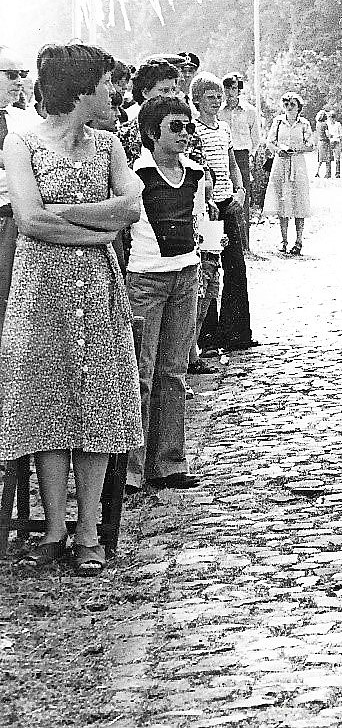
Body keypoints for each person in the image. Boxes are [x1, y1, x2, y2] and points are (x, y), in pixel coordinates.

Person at [0, 43, 144, 575]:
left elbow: (130, 207)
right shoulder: (23, 143)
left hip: (99, 291)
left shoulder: (109, 146)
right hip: (40, 292)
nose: (115, 93)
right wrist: (96, 226)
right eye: (108, 84)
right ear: (82, 88)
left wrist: (61, 212)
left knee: (99, 406)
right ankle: (55, 529)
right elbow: (28, 220)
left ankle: (89, 535)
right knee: (47, 407)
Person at [125, 96, 210, 492]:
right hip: (146, 279)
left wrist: (202, 260)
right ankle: (131, 470)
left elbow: (198, 221)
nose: (185, 134)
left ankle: (170, 462)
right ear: (151, 132)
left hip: (185, 276)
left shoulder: (195, 173)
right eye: (175, 127)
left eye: (189, 126)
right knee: (140, 373)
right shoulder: (136, 175)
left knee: (173, 372)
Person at [191, 73, 256, 352]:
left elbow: (232, 165)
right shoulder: (193, 131)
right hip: (208, 210)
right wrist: (208, 202)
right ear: (196, 101)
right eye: (210, 97)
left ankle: (237, 332)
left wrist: (240, 190)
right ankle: (208, 334)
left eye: (219, 96)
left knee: (236, 267)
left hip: (229, 203)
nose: (216, 102)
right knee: (208, 270)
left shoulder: (224, 129)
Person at [0, 45, 36, 330]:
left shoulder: (27, 122)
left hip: (16, 222)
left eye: (22, 75)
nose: (19, 82)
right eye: (12, 74)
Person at [264, 92, 314, 255]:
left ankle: (299, 241)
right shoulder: (278, 122)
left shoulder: (304, 123)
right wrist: (279, 150)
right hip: (281, 164)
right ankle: (283, 240)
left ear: (299, 107)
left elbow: (311, 145)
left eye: (293, 104)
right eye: (286, 104)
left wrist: (297, 149)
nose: (289, 107)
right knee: (283, 200)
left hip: (298, 165)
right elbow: (270, 142)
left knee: (299, 201)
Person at [220, 73, 263, 245]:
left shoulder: (250, 111)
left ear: (239, 90)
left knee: (242, 196)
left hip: (242, 156)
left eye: (234, 88)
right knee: (224, 195)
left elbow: (256, 139)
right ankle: (227, 240)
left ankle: (245, 242)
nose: (230, 92)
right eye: (227, 88)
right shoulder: (219, 112)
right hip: (223, 155)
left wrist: (249, 156)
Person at [118, 58, 181, 166]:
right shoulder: (125, 134)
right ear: (145, 93)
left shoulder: (186, 130)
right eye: (165, 90)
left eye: (173, 90)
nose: (171, 96)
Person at [314, 110, 334, 178]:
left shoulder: (317, 124)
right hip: (325, 142)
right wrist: (331, 136)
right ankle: (327, 174)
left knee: (320, 159)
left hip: (319, 142)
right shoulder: (325, 125)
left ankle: (317, 172)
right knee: (328, 159)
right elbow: (327, 134)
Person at [326, 111, 342, 178]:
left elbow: (341, 134)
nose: (332, 119)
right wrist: (329, 136)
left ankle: (337, 173)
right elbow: (327, 133)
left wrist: (338, 137)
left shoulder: (338, 124)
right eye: (330, 117)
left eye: (333, 117)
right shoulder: (327, 124)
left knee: (337, 158)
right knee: (329, 158)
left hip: (337, 141)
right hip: (330, 142)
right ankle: (328, 173)